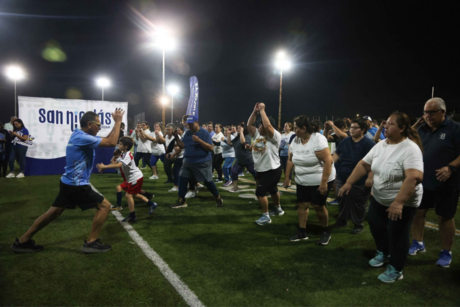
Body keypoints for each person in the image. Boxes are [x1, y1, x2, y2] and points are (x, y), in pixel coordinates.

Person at [11, 109, 124, 254]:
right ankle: (91, 242)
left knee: (53, 213)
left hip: (68, 182)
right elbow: (111, 142)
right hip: (76, 185)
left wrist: (116, 126)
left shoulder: (80, 135)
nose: (99, 128)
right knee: (104, 206)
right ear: (90, 124)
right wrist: (118, 122)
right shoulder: (83, 137)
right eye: (98, 125)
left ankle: (22, 241)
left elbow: (107, 138)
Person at [339, 112, 424, 283]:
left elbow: (414, 177)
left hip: (403, 202)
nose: (386, 125)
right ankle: (383, 252)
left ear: (402, 128)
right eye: (386, 123)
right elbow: (364, 164)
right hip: (379, 198)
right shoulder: (381, 145)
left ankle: (396, 268)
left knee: (397, 234)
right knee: (376, 225)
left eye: (391, 124)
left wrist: (399, 202)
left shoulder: (410, 148)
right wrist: (349, 182)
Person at [409, 98, 460, 268]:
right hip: (423, 180)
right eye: (425, 112)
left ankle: (446, 251)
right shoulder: (422, 129)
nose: (427, 116)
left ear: (443, 112)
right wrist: (418, 122)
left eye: (431, 112)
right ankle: (418, 242)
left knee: (445, 217)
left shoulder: (455, 128)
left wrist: (451, 167)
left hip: (446, 181)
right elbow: (404, 135)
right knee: (418, 212)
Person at [284, 115, 335, 244]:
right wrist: (287, 177)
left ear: (304, 128)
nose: (294, 130)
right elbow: (290, 160)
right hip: (302, 180)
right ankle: (302, 231)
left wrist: (324, 183)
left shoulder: (317, 139)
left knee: (318, 206)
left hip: (320, 180)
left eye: (296, 128)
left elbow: (329, 161)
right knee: (302, 205)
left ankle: (325, 230)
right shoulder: (295, 140)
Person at [96, 137, 157, 222]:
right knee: (134, 194)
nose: (118, 145)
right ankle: (151, 204)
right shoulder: (122, 154)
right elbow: (116, 162)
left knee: (128, 195)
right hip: (133, 178)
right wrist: (104, 167)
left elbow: (118, 165)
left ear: (126, 146)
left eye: (120, 144)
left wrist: (104, 167)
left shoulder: (127, 155)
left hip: (135, 177)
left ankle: (132, 216)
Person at [171, 115, 223, 209]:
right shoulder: (187, 133)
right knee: (182, 178)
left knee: (207, 181)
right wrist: (176, 138)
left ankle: (218, 197)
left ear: (197, 123)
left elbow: (211, 148)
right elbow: (182, 145)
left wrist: (199, 140)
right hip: (188, 161)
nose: (190, 126)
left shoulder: (204, 133)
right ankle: (181, 200)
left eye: (191, 124)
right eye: (188, 124)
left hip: (202, 162)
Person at [333, 119, 374, 234]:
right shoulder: (345, 141)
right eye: (351, 127)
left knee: (359, 203)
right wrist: (331, 164)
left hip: (360, 179)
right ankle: (342, 220)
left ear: (363, 129)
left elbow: (374, 162)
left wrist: (370, 177)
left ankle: (358, 224)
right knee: (342, 199)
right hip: (342, 176)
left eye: (355, 127)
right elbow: (337, 153)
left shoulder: (368, 143)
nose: (352, 129)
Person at [247, 102, 283, 226]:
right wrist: (255, 111)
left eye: (261, 125)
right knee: (273, 190)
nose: (259, 127)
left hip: (272, 170)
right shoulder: (257, 134)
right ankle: (278, 209)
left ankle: (266, 216)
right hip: (262, 169)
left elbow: (268, 127)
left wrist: (262, 110)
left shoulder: (275, 136)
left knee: (260, 192)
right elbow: (249, 124)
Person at [228, 123, 257, 192]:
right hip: (239, 160)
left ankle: (259, 186)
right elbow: (229, 143)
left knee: (255, 173)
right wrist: (229, 134)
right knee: (234, 172)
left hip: (248, 160)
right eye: (238, 128)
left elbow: (243, 142)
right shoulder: (237, 137)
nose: (238, 129)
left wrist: (241, 132)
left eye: (239, 128)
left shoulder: (247, 136)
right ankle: (235, 187)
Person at [280, 122, 295, 187]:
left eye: (286, 126)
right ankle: (286, 180)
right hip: (282, 154)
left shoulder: (292, 134)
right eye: (284, 126)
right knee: (284, 168)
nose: (285, 127)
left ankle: (289, 181)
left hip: (289, 154)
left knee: (289, 168)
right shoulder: (282, 135)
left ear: (290, 127)